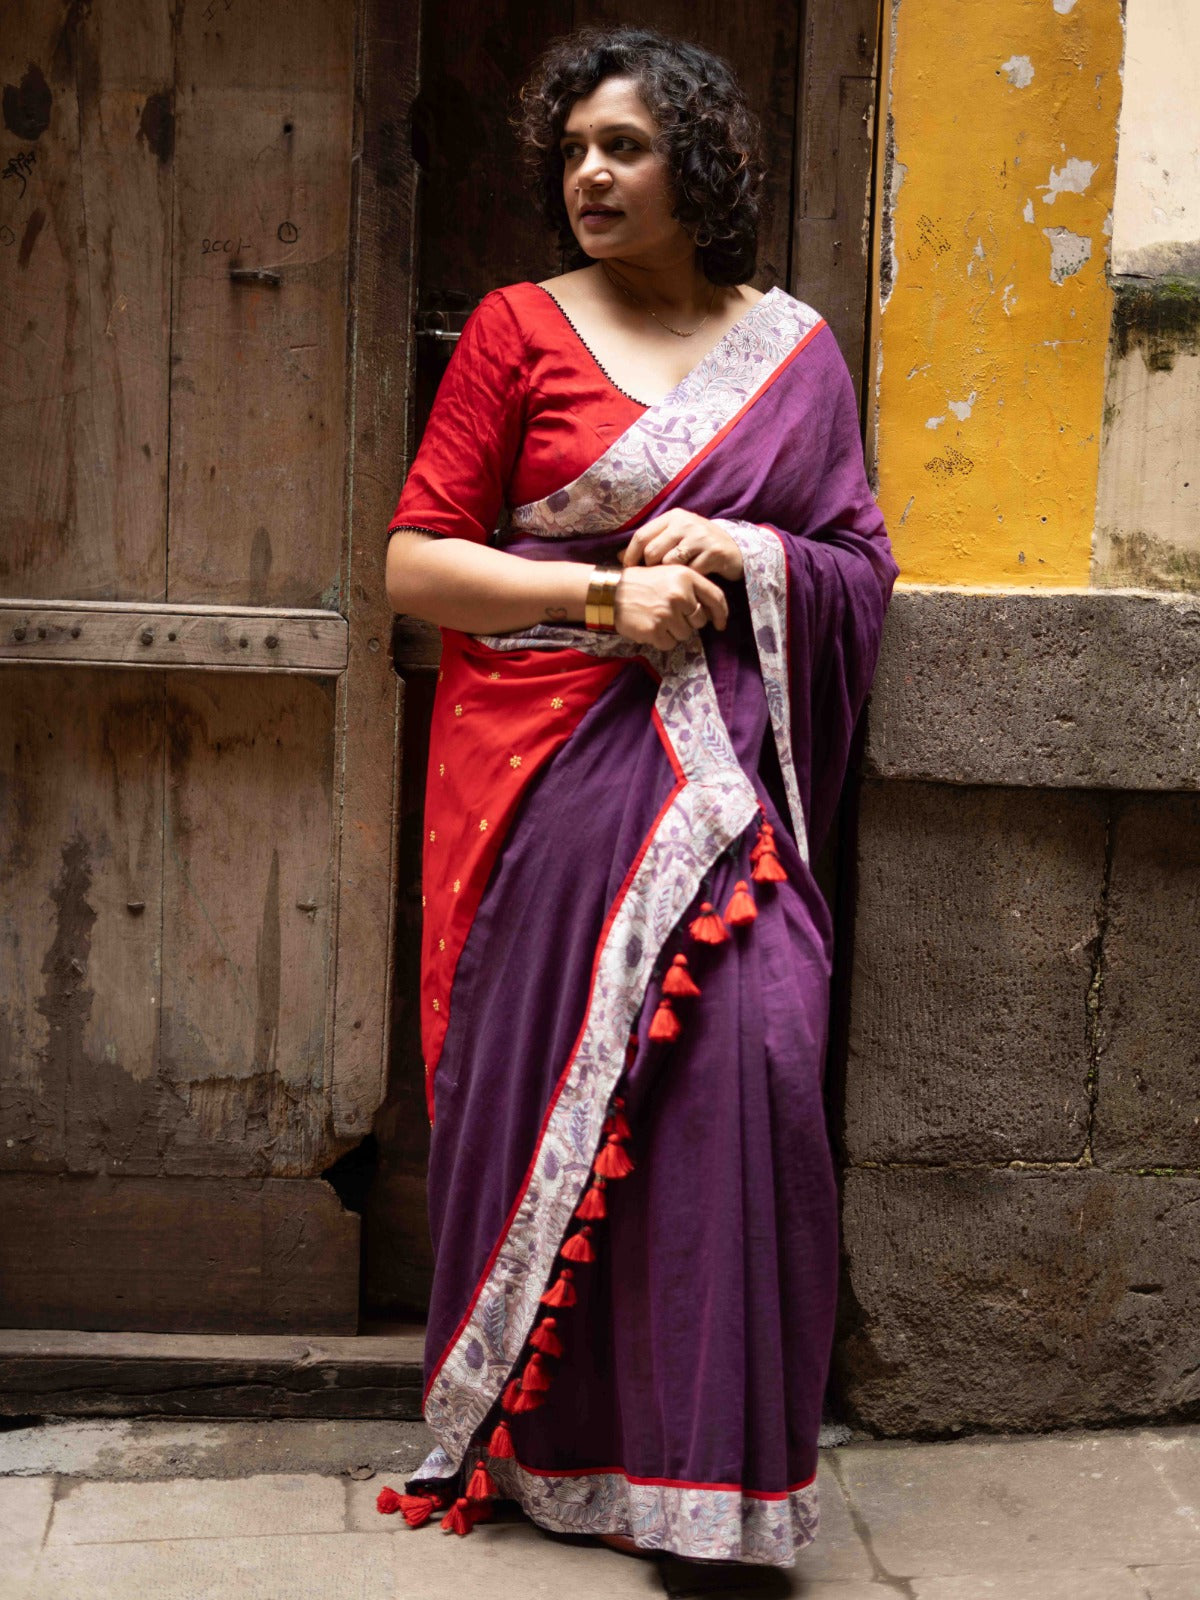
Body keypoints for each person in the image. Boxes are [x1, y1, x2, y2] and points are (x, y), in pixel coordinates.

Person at [376, 23, 899, 1569]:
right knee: (568, 1086)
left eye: (626, 148)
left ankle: (717, 1488)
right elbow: (414, 561)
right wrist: (605, 600)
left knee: (759, 1054)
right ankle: (563, 1455)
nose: (590, 175)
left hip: (731, 792)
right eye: (575, 151)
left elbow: (860, 569)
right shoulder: (516, 329)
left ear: (701, 168)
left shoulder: (796, 352)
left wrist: (745, 555)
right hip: (551, 777)